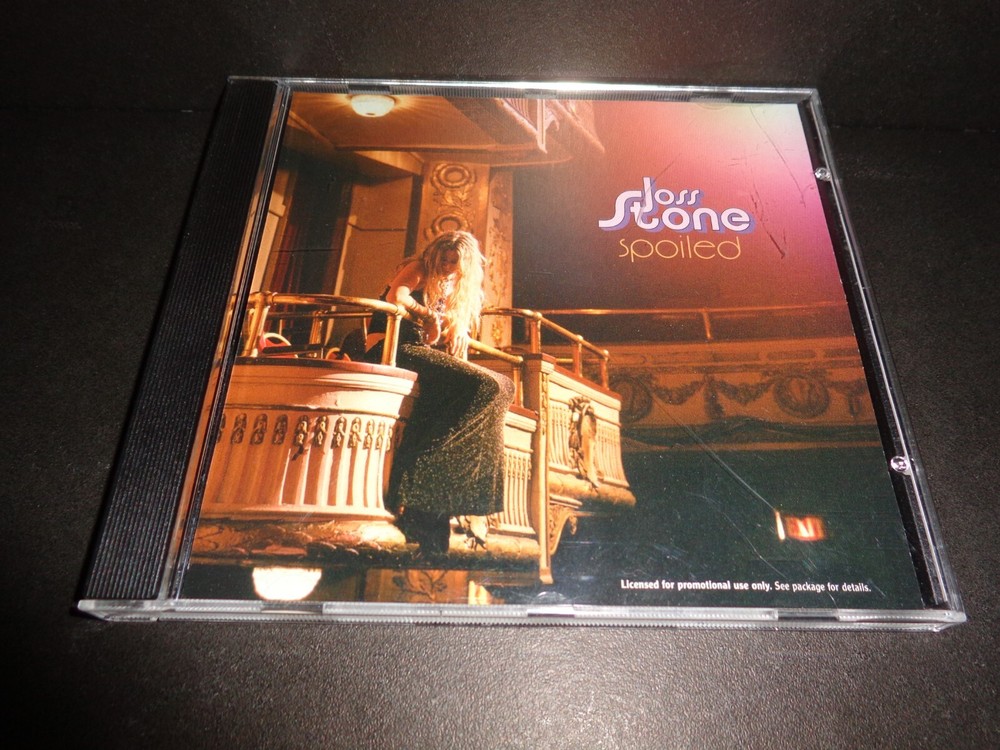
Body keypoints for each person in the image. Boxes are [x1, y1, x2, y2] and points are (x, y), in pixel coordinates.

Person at [365, 232, 515, 555]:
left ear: (465, 266)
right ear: (434, 255)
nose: (447, 266)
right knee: (485, 385)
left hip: (418, 351)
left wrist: (457, 329)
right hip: (391, 346)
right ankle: (422, 491)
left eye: (454, 263)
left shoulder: (453, 287)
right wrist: (428, 315)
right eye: (444, 259)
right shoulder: (419, 268)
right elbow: (396, 296)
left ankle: (456, 496)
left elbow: (444, 331)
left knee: (505, 386)